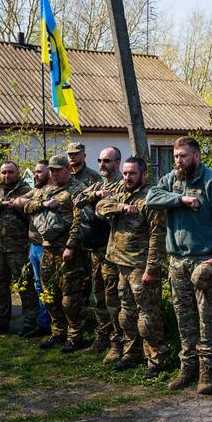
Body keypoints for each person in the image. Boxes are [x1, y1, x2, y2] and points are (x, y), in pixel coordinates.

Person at [147, 136, 212, 395]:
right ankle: (188, 367)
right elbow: (152, 198)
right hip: (177, 261)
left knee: (206, 316)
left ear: (196, 156)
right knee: (183, 316)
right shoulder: (172, 181)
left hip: (204, 259)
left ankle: (208, 369)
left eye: (183, 156)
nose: (178, 161)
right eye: (175, 156)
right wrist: (181, 200)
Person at [96, 157, 168, 378]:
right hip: (120, 264)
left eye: (132, 174)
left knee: (147, 316)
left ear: (143, 175)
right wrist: (120, 207)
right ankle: (131, 354)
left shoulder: (151, 198)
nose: (127, 177)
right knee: (126, 314)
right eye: (125, 173)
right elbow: (100, 207)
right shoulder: (121, 192)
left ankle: (157, 359)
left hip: (141, 265)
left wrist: (152, 268)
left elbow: (158, 236)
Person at [24, 155, 90, 353]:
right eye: (51, 170)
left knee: (70, 297)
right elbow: (27, 206)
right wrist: (43, 204)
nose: (53, 173)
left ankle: (74, 336)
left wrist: (71, 246)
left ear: (67, 169)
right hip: (47, 249)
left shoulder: (78, 190)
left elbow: (79, 221)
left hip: (68, 252)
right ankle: (57, 333)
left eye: (57, 169)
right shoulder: (47, 190)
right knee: (49, 294)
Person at [0, 162, 39, 335]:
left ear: (17, 172)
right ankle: (1, 320)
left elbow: (33, 212)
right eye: (4, 172)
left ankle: (29, 322)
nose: (7, 175)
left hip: (19, 247)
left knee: (24, 286)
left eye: (10, 172)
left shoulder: (26, 189)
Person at [77, 146, 124, 363]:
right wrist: (95, 194)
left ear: (117, 162)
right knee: (99, 298)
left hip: (113, 252)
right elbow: (77, 199)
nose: (102, 164)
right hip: (96, 251)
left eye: (107, 160)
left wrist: (103, 201)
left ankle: (118, 342)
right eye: (100, 161)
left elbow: (113, 206)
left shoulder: (123, 185)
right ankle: (102, 336)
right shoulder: (97, 185)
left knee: (113, 299)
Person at [12, 160, 52, 337]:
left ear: (50, 172)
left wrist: (33, 204)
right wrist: (38, 204)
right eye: (35, 172)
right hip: (34, 245)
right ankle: (43, 322)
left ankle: (50, 325)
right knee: (38, 286)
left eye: (40, 171)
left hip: (48, 246)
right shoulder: (36, 191)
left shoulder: (55, 192)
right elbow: (17, 202)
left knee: (47, 287)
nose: (36, 175)